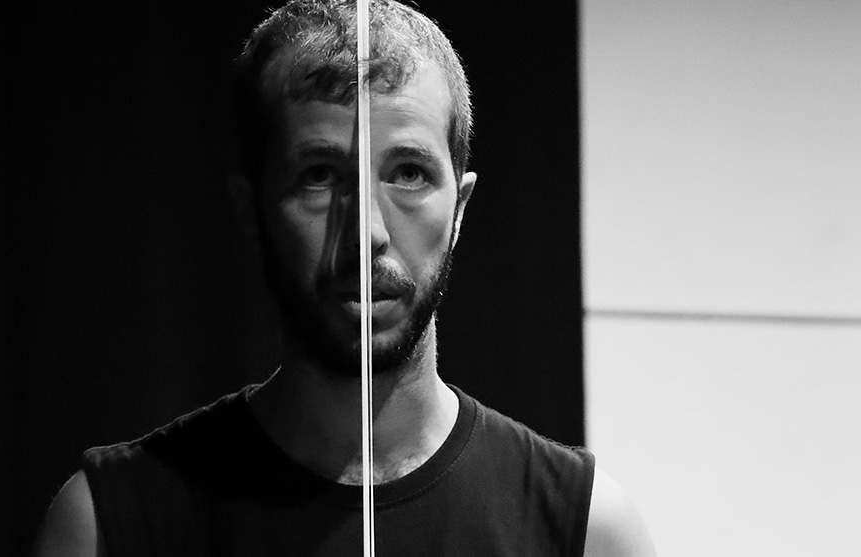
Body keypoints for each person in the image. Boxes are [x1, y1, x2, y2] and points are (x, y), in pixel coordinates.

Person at [36, 1, 655, 555]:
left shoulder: (584, 531)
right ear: (251, 209)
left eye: (408, 173)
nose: (367, 233)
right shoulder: (109, 526)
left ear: (459, 209)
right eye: (319, 175)